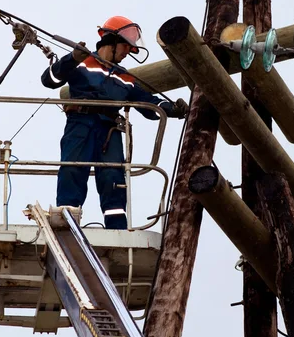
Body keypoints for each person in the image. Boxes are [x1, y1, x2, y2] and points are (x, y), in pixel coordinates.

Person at [41, 16, 189, 230]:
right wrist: (71, 58)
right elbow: (50, 80)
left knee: (113, 178)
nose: (127, 52)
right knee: (73, 170)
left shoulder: (125, 78)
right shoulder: (81, 62)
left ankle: (117, 228)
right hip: (80, 125)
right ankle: (67, 223)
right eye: (125, 46)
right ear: (110, 40)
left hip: (109, 130)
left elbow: (148, 104)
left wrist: (173, 109)